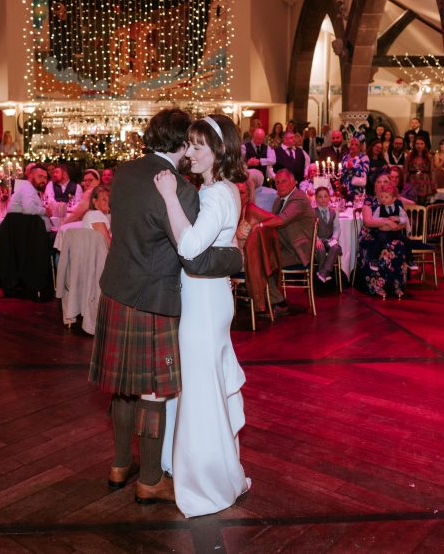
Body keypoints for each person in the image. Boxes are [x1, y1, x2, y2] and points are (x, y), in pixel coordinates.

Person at [88, 108, 242, 509]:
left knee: (123, 386)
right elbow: (194, 252)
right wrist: (235, 259)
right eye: (189, 142)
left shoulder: (122, 172)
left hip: (115, 289)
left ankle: (121, 465)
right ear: (179, 143)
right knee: (154, 390)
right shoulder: (180, 189)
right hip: (154, 298)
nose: (191, 151)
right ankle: (151, 480)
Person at [151, 113, 250, 518]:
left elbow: (190, 247)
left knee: (199, 388)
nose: (188, 152)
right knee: (202, 383)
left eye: (197, 146)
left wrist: (170, 196)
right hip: (207, 297)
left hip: (205, 304)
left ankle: (206, 481)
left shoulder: (216, 195)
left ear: (219, 151)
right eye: (188, 144)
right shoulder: (220, 189)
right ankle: (213, 469)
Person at [257, 169, 315, 315]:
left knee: (262, 262)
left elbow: (281, 219)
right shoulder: (279, 200)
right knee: (259, 258)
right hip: (285, 248)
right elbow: (272, 221)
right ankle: (264, 299)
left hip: (299, 252)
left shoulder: (299, 198)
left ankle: (277, 302)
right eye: (277, 182)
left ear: (292, 182)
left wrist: (259, 225)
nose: (280, 185)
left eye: (284, 181)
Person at [358, 184, 409, 299]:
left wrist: (396, 225)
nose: (382, 184)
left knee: (399, 245)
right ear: (374, 184)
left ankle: (396, 285)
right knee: (383, 247)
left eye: (385, 181)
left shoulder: (396, 201)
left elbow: (404, 222)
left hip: (391, 233)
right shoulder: (369, 201)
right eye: (379, 181)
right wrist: (386, 222)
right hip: (372, 234)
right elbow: (368, 222)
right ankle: (377, 286)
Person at [7, 163, 52, 230]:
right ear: (30, 176)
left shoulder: (31, 188)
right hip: (27, 236)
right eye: (40, 176)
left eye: (45, 178)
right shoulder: (27, 188)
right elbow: (29, 209)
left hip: (32, 233)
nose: (43, 180)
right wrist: (45, 211)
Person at [313, 187, 341, 283]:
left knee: (336, 248)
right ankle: (324, 273)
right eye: (320, 197)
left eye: (325, 196)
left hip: (329, 240)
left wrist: (334, 238)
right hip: (318, 240)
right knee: (321, 250)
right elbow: (311, 228)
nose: (323, 199)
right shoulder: (313, 212)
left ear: (329, 197)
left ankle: (323, 273)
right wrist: (316, 239)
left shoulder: (334, 212)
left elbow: (337, 228)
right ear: (315, 199)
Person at [405, 137, 436, 204]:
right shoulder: (409, 156)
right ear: (414, 145)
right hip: (412, 180)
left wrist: (433, 184)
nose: (419, 146)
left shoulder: (429, 156)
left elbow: (432, 171)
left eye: (421, 144)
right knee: (412, 201)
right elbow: (405, 171)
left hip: (425, 181)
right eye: (417, 144)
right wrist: (404, 184)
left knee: (423, 203)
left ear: (425, 145)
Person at [339, 134, 369, 198]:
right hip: (345, 190)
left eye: (356, 145)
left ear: (360, 146)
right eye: (352, 144)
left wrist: (353, 169)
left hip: (358, 191)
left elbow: (364, 173)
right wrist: (346, 169)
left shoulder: (364, 157)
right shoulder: (345, 157)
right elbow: (341, 173)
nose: (353, 147)